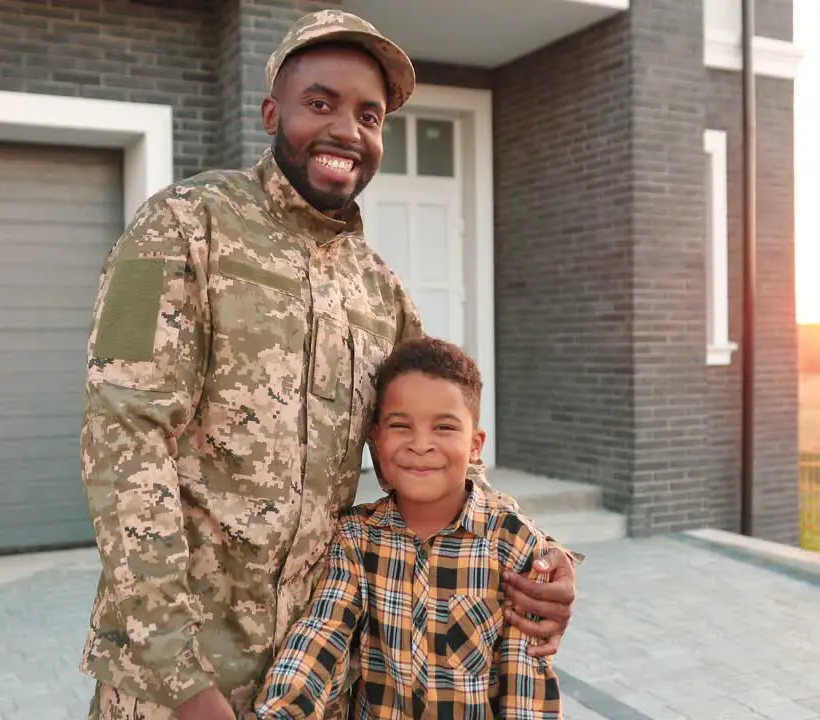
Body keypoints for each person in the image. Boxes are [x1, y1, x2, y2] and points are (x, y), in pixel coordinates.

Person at [77, 10, 579, 720]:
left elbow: (438, 454)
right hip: (177, 686)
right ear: (272, 112)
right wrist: (179, 679)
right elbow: (122, 441)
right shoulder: (182, 228)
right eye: (321, 103)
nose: (347, 129)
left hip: (323, 676)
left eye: (368, 115)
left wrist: (536, 567)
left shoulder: (380, 291)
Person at [248, 337, 563, 720]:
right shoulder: (357, 538)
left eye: (444, 427)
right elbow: (319, 637)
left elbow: (527, 687)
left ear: (475, 445)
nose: (421, 445)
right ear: (376, 441)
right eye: (401, 426)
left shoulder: (515, 546)